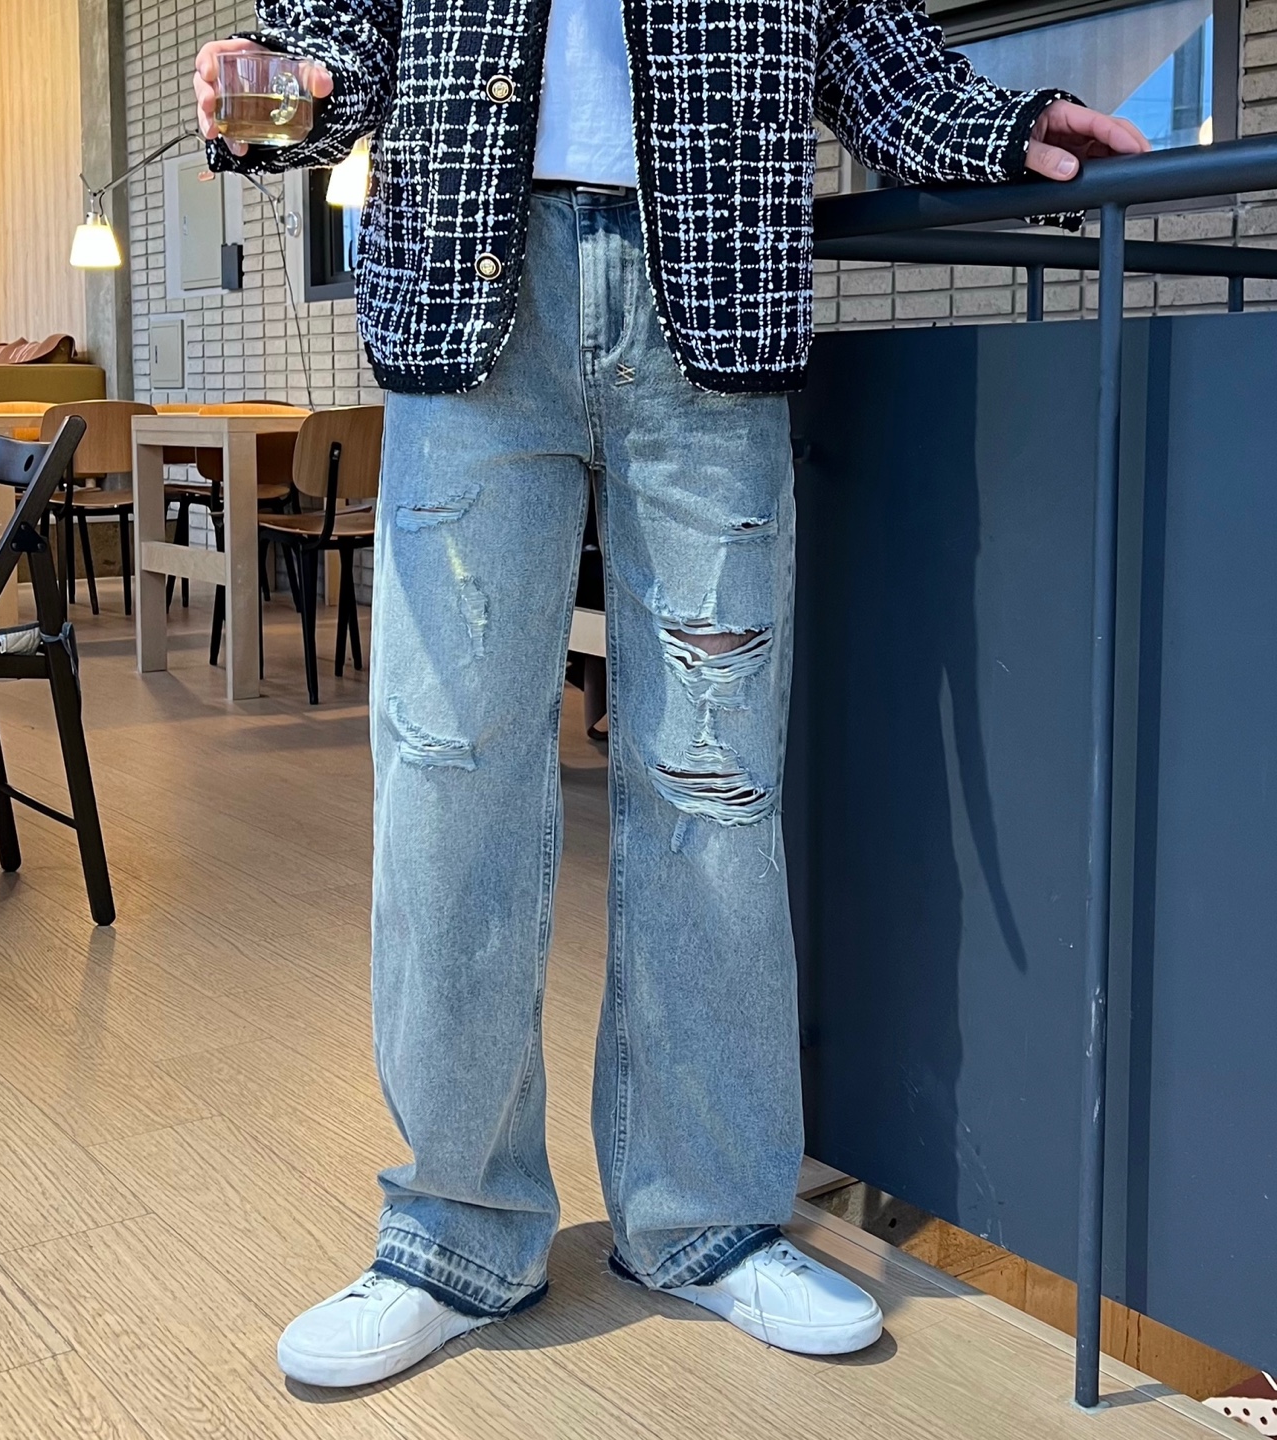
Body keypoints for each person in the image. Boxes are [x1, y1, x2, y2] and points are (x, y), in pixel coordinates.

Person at [194, 0, 1147, 1389]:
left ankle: (702, 1215)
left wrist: (1008, 125)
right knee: (447, 772)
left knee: (714, 781)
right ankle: (455, 1228)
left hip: (712, 277)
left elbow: (861, 39)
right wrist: (283, 80)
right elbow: (348, 31)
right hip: (465, 280)